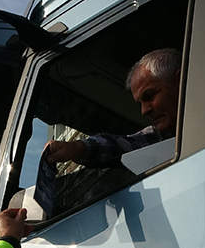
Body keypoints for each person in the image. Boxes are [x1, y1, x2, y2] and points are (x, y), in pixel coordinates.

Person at [45, 48, 181, 166]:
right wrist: (76, 148)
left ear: (181, 80)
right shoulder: (163, 136)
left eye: (149, 95)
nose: (144, 111)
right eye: (140, 104)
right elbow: (123, 145)